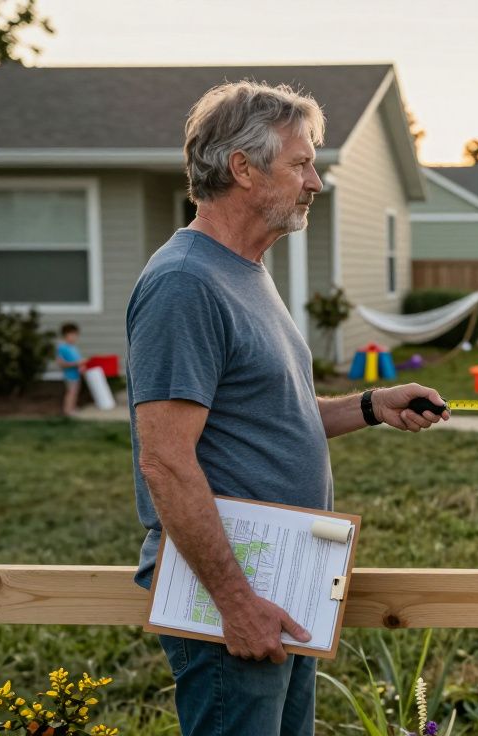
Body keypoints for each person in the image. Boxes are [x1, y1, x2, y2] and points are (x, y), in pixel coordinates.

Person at [126, 80, 449, 736]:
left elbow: (272, 416)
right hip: (232, 598)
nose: (315, 183)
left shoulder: (245, 271)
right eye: (301, 164)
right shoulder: (185, 284)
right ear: (242, 169)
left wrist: (370, 405)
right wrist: (236, 603)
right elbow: (164, 461)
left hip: (282, 583)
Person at [54, 322, 87, 417]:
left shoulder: (73, 347)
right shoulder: (62, 347)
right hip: (69, 375)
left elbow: (77, 360)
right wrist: (76, 363)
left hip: (76, 374)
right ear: (65, 335)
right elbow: (60, 363)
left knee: (75, 392)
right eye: (72, 335)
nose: (74, 338)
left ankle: (72, 407)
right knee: (71, 392)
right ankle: (67, 410)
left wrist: (81, 366)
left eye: (76, 335)